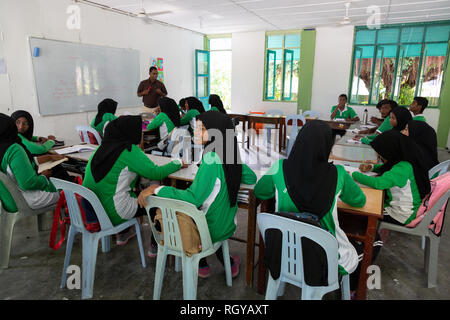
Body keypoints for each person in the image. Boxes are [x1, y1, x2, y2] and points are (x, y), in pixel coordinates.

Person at [138, 110, 257, 277]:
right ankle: (225, 262)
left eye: (202, 129)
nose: (196, 133)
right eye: (197, 128)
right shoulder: (228, 154)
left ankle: (199, 261)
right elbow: (251, 178)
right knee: (204, 204)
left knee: (173, 209)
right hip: (227, 224)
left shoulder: (210, 159)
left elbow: (192, 198)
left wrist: (156, 189)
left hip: (208, 229)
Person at [254, 120, 367, 292]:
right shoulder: (339, 173)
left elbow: (260, 192)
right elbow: (359, 200)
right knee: (362, 247)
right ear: (327, 145)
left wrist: (280, 189)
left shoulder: (279, 167)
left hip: (283, 254)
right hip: (326, 260)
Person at [82, 115, 185, 246]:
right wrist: (178, 162)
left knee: (131, 191)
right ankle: (156, 244)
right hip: (115, 211)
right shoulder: (129, 150)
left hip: (96, 212)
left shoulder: (99, 149)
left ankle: (124, 233)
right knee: (158, 200)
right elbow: (156, 173)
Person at [354, 130, 431, 225]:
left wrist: (355, 174)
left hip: (400, 215)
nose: (380, 157)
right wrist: (372, 167)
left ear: (390, 152)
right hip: (409, 209)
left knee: (362, 212)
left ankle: (375, 238)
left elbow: (378, 183)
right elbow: (389, 168)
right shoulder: (406, 161)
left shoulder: (401, 169)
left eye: (381, 155)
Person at [0, 113, 59, 210]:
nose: (19, 127)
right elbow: (28, 183)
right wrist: (44, 177)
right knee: (66, 192)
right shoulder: (14, 149)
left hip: (8, 201)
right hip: (26, 199)